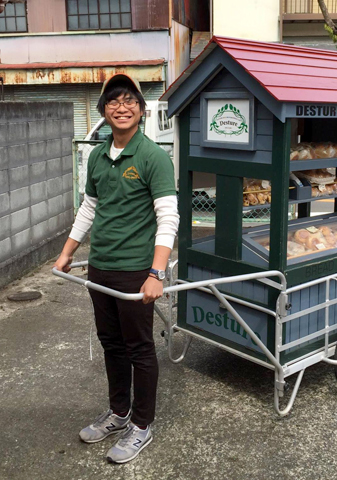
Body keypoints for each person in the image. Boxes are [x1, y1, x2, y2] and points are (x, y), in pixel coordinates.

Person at [54, 73, 179, 464]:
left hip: (135, 272)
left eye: (129, 101)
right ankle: (119, 413)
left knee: (139, 348)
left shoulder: (153, 157)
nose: (121, 108)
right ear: (103, 112)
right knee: (111, 344)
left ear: (141, 110)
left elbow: (168, 217)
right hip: (101, 268)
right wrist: (67, 252)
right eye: (113, 102)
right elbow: (90, 207)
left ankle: (142, 424)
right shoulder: (96, 155)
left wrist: (156, 273)